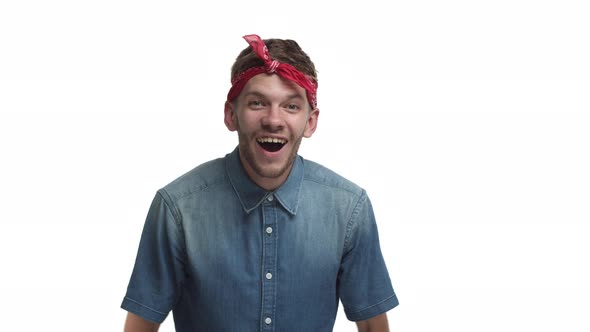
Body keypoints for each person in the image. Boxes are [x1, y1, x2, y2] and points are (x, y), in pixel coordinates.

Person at [121, 34, 399, 332]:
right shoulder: (177, 208)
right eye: (257, 103)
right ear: (231, 115)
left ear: (310, 121)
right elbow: (142, 325)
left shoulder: (348, 208)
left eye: (291, 106)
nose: (273, 120)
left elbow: (372, 325)